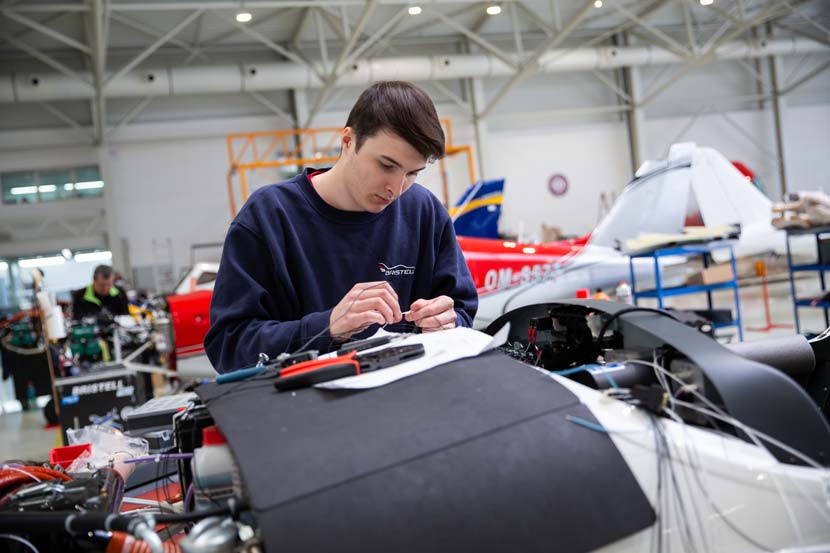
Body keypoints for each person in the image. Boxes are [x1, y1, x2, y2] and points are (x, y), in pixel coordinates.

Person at [205, 81, 478, 373]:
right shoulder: (269, 217)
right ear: (348, 141)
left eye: (413, 173)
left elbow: (461, 311)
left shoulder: (424, 211)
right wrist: (328, 327)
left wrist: (448, 322)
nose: (396, 189)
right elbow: (229, 346)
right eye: (386, 165)